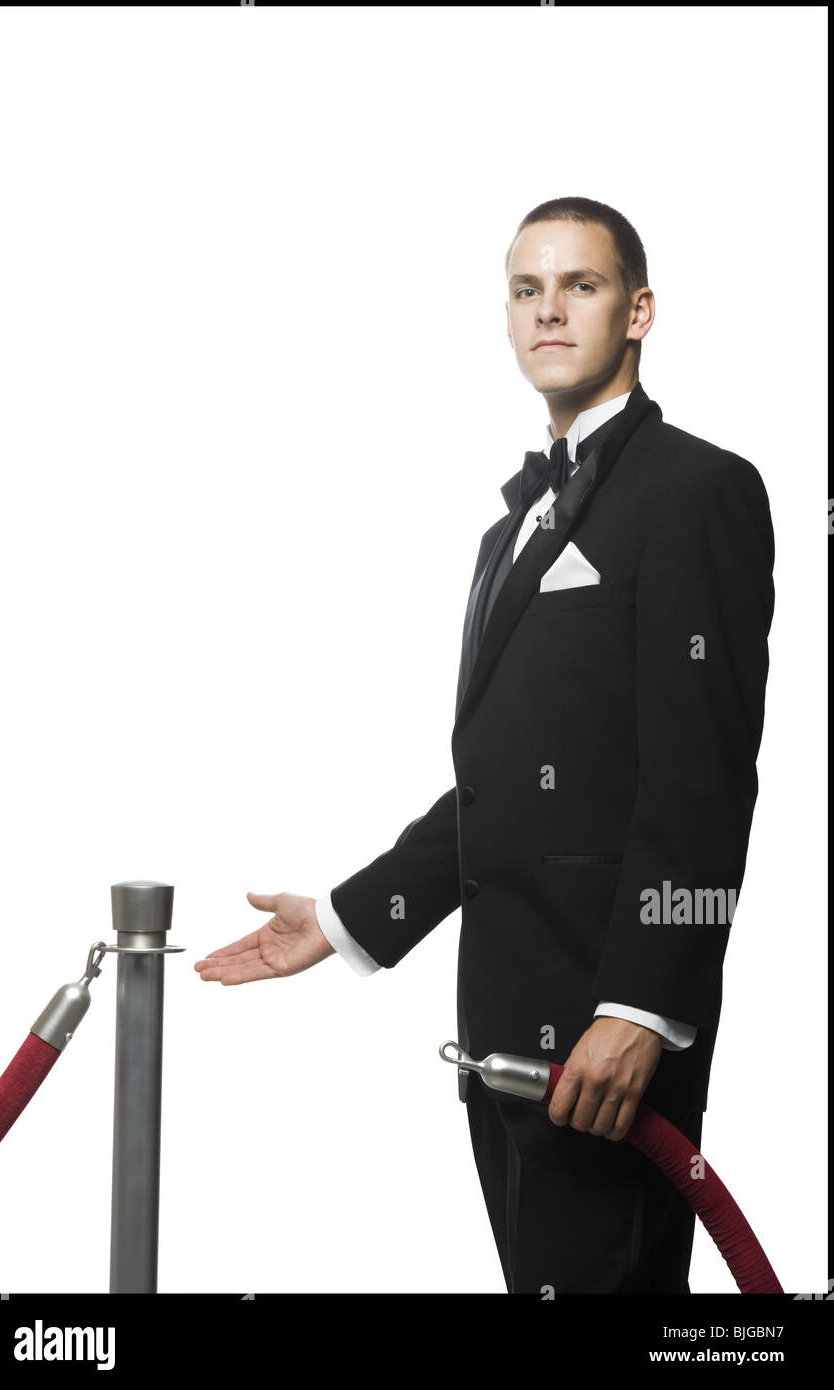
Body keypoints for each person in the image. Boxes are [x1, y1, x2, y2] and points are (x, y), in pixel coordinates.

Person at [195, 196, 775, 1295]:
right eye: (526, 289)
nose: (549, 309)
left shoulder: (702, 491)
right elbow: (503, 789)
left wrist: (642, 1007)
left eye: (582, 285)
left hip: (608, 1051)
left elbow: (703, 782)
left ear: (639, 310)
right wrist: (347, 918)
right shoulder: (506, 533)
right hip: (501, 1048)